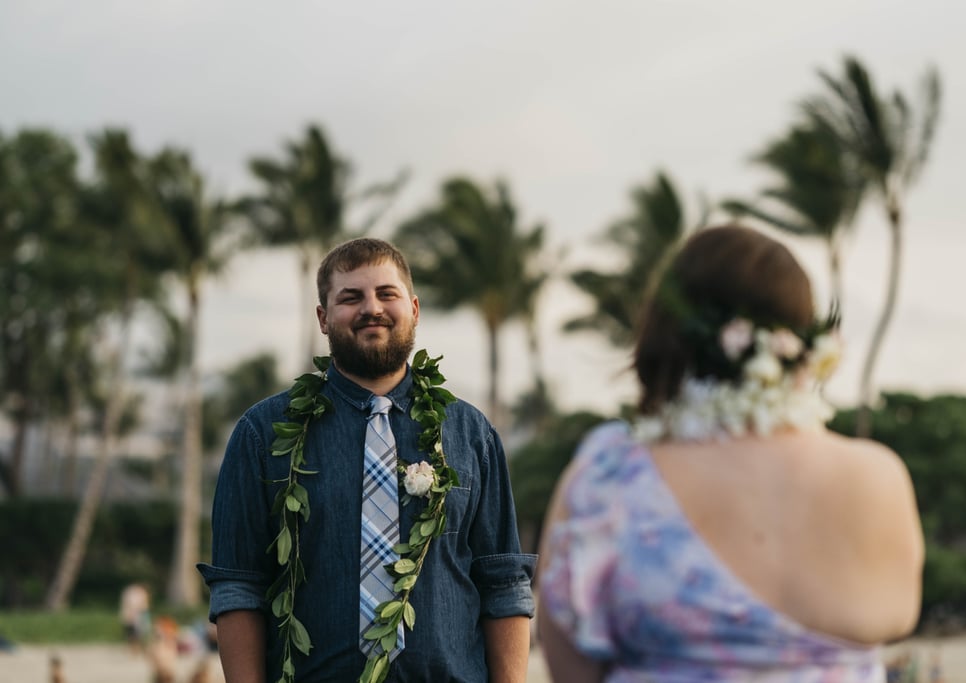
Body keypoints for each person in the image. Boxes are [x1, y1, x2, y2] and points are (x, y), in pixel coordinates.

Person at [537, 224, 924, 682]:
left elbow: (570, 664)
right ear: (802, 343)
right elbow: (898, 614)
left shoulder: (610, 478)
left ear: (669, 330)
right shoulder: (878, 477)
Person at [198, 238, 535, 682]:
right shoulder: (262, 434)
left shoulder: (471, 434)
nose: (371, 308)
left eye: (386, 294)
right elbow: (239, 585)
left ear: (414, 308)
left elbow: (504, 583)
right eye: (350, 297)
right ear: (323, 317)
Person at [119, 582, 151, 653]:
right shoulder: (137, 593)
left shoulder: (137, 593)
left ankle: (137, 648)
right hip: (136, 615)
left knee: (137, 634)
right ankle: (136, 649)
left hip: (138, 615)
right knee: (134, 634)